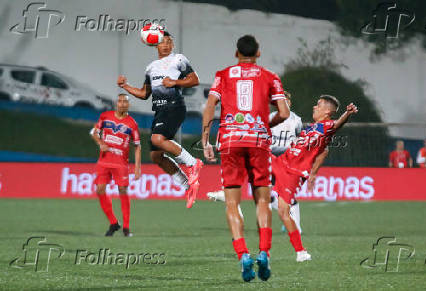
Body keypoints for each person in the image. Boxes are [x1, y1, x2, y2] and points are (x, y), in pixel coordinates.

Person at [202, 35, 290, 282]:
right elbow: (284, 113)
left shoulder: (223, 75)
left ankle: (242, 254)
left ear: (236, 53)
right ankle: (264, 252)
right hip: (258, 142)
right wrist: (266, 124)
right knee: (262, 200)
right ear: (258, 53)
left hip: (230, 142)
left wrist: (206, 140)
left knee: (232, 203)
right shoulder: (271, 76)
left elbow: (210, 107)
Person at [117, 30, 203, 208]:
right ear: (155, 44)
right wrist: (125, 86)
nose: (166, 44)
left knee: (158, 139)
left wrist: (175, 82)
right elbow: (144, 94)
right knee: (156, 156)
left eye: (169, 41)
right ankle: (187, 185)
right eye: (163, 41)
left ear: (172, 45)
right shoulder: (151, 67)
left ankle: (193, 163)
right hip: (160, 110)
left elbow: (194, 80)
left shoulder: (179, 59)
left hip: (174, 106)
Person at [207, 92, 312, 234]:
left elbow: (300, 141)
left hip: (286, 160)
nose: (283, 103)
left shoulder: (296, 120)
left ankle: (294, 224)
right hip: (269, 156)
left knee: (279, 195)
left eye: (286, 100)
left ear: (290, 103)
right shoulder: (269, 117)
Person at [273, 96, 358, 262]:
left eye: (318, 105)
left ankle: (301, 252)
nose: (314, 107)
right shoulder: (312, 127)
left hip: (294, 172)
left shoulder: (327, 126)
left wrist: (347, 114)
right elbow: (324, 151)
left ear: (327, 111)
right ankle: (228, 190)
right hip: (282, 162)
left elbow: (337, 125)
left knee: (283, 212)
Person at [90, 94, 141, 237]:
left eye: (125, 101)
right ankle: (113, 222)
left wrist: (138, 168)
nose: (123, 104)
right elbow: (95, 133)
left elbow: (137, 146)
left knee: (122, 191)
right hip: (104, 161)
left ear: (128, 105)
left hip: (121, 164)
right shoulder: (105, 116)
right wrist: (101, 143)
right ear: (116, 103)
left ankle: (126, 227)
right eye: (120, 101)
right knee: (100, 190)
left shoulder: (132, 123)